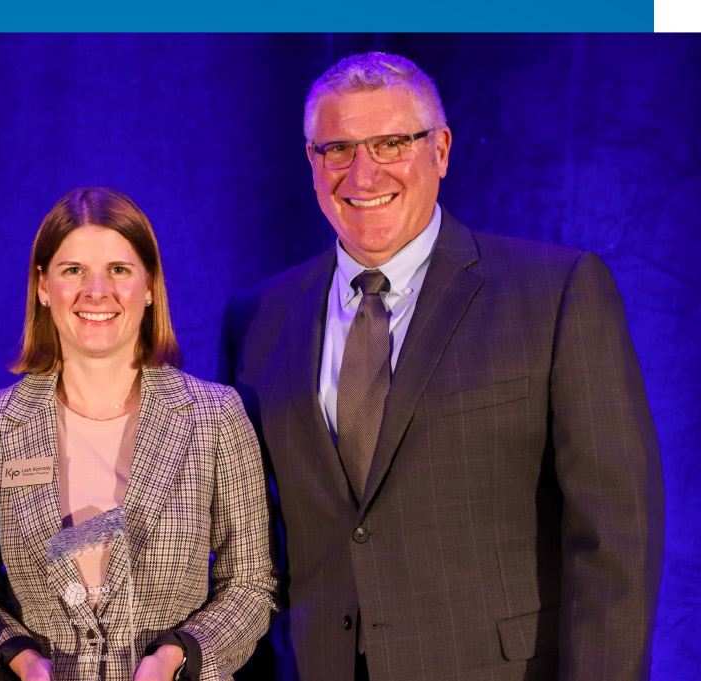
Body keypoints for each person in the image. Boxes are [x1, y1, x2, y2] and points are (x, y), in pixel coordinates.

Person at [220, 52, 663, 681]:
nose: (363, 173)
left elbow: (616, 535)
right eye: (337, 149)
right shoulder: (255, 318)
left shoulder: (554, 292)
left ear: (442, 150)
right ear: (312, 163)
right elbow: (250, 546)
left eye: (391, 143)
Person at [0, 187, 277, 681]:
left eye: (119, 270)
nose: (96, 291)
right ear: (43, 287)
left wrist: (177, 659)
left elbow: (252, 583)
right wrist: (19, 658)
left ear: (149, 286)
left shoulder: (214, 416)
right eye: (73, 271)